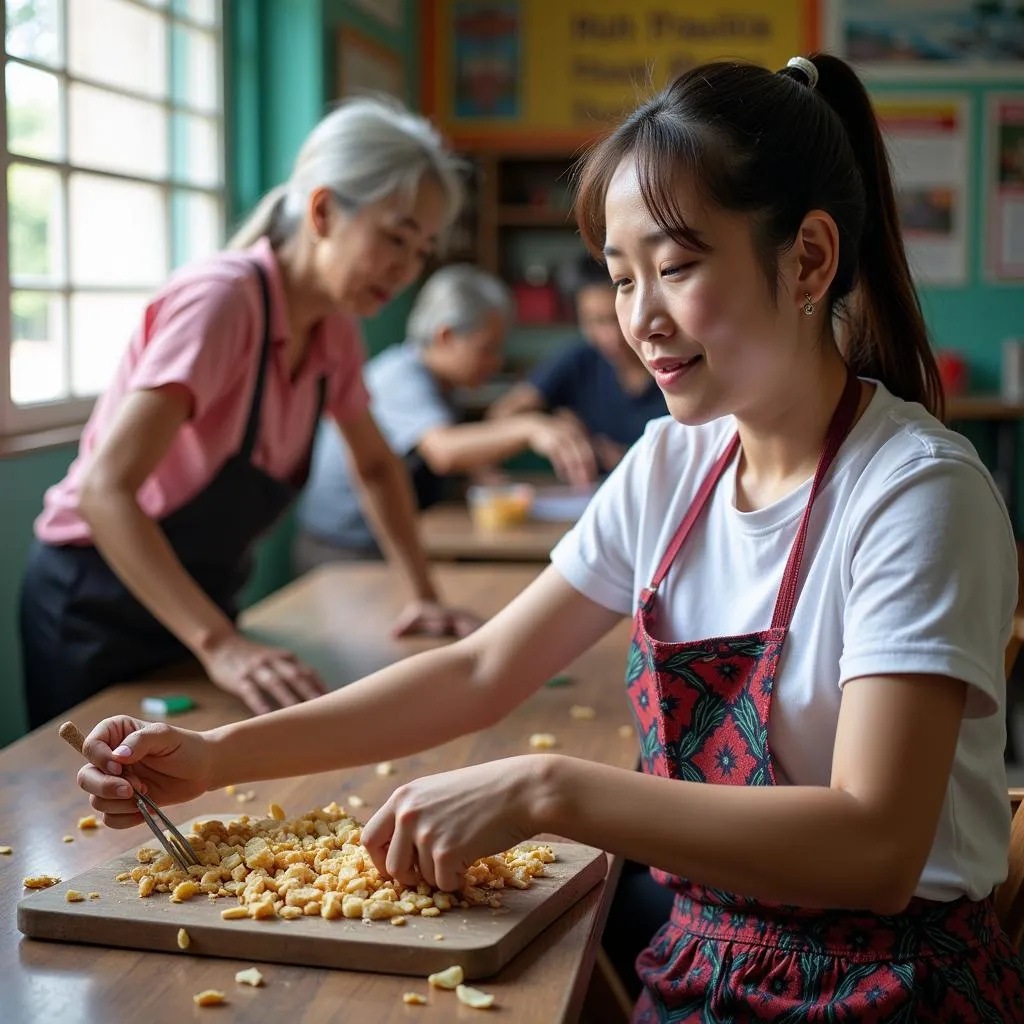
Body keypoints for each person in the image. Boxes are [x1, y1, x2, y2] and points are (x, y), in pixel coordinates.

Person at [76, 53, 1024, 1021]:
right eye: (620, 278)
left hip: (888, 987)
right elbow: (482, 668)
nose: (639, 320)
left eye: (678, 266)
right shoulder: (671, 465)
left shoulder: (913, 493)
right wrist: (219, 755)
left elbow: (874, 846)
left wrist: (547, 787)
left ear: (809, 259)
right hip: (699, 965)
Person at [20, 97, 479, 730]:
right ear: (323, 210)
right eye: (394, 237)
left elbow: (376, 466)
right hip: (95, 601)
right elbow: (106, 490)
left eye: (422, 250)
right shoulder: (221, 301)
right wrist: (219, 644)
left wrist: (424, 594)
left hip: (197, 606)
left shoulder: (334, 330)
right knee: (91, 807)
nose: (405, 269)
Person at [294, 263, 599, 565]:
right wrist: (531, 428)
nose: (495, 362)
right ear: (446, 336)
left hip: (384, 541)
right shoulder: (401, 376)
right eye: (487, 349)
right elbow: (444, 452)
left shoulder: (444, 387)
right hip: (344, 550)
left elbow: (454, 462)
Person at [489, 253, 666, 470]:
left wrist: (626, 458)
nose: (611, 336)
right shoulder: (579, 360)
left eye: (617, 319)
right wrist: (549, 424)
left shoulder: (672, 363)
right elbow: (502, 415)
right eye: (595, 322)